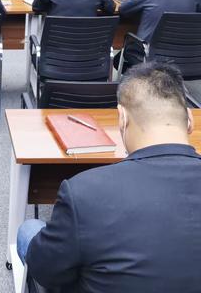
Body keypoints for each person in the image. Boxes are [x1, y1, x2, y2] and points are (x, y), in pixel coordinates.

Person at [17, 61, 201, 293]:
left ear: (121, 119)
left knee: (29, 231)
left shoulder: (83, 193)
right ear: (190, 121)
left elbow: (46, 270)